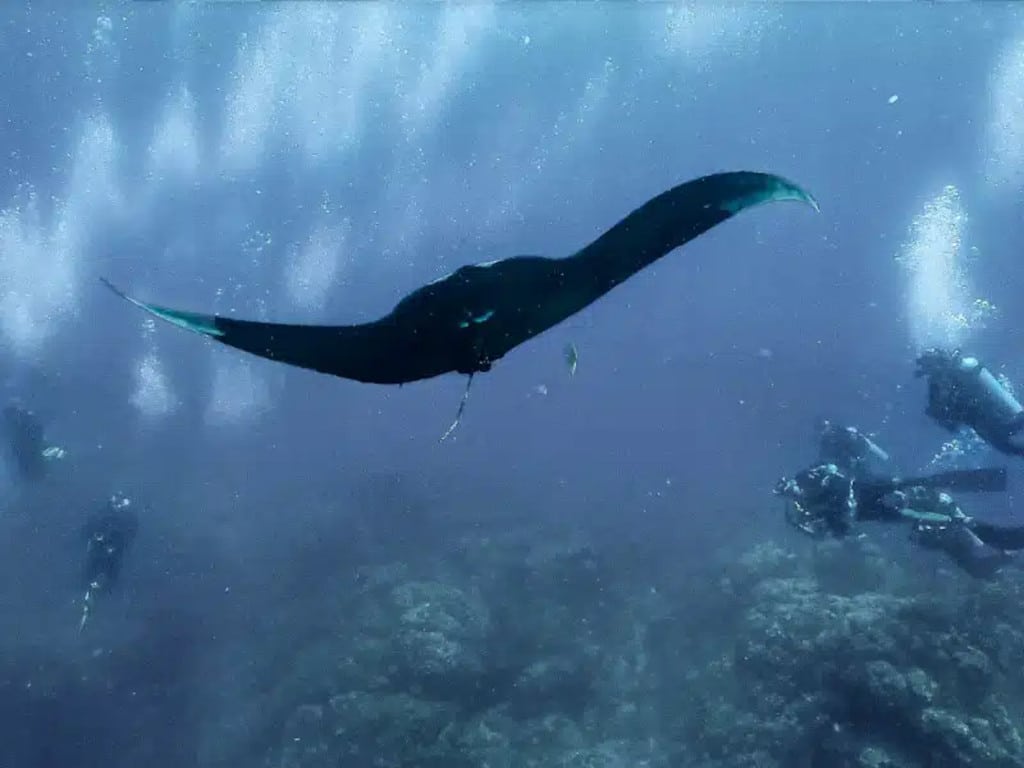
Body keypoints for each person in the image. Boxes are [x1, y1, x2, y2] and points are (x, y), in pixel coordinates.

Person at [773, 463, 1023, 579]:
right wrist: (823, 529)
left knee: (914, 486)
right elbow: (834, 529)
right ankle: (967, 524)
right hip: (869, 511)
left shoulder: (807, 477)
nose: (793, 493)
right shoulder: (803, 508)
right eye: (787, 494)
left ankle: (983, 492)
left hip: (865, 491)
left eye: (790, 488)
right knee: (915, 515)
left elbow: (835, 475)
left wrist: (846, 504)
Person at [915, 347, 1024, 458]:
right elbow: (948, 421)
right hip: (976, 420)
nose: (929, 369)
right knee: (1005, 445)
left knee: (1009, 431)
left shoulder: (955, 370)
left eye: (929, 364)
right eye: (926, 365)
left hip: (984, 409)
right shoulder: (935, 388)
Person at [78, 492, 139, 631]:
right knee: (89, 578)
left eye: (122, 501)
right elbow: (87, 530)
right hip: (98, 553)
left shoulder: (129, 519)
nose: (119, 504)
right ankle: (87, 600)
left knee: (109, 581)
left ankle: (94, 603)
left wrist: (115, 545)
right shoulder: (101, 515)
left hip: (113, 557)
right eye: (117, 499)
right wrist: (97, 537)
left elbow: (130, 536)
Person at [1, 400, 65, 484]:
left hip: (30, 459)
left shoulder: (30, 424)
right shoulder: (18, 426)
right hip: (25, 460)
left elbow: (39, 441)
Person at [816, 419, 894, 480]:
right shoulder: (827, 441)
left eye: (825, 427)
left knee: (868, 476)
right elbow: (826, 456)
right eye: (822, 428)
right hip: (851, 464)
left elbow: (862, 443)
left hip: (860, 458)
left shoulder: (842, 432)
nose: (825, 431)